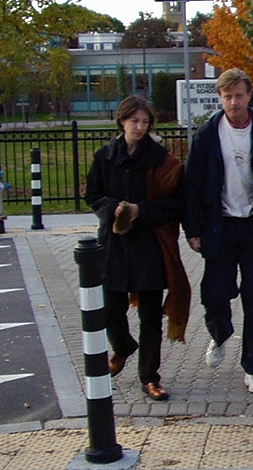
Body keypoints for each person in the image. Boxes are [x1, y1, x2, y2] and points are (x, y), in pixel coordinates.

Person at [183, 68, 253, 394]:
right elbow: (192, 186)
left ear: (250, 96)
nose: (234, 102)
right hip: (218, 227)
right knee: (215, 294)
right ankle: (219, 334)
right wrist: (192, 229)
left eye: (239, 95)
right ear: (220, 98)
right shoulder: (207, 136)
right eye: (227, 96)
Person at [84, 95, 190, 402]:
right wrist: (115, 208)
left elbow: (174, 203)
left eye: (145, 122)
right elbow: (92, 195)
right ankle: (123, 347)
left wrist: (140, 211)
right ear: (122, 121)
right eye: (134, 121)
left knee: (150, 317)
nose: (140, 127)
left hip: (149, 246)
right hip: (114, 245)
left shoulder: (160, 160)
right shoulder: (105, 157)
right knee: (111, 310)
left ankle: (149, 377)